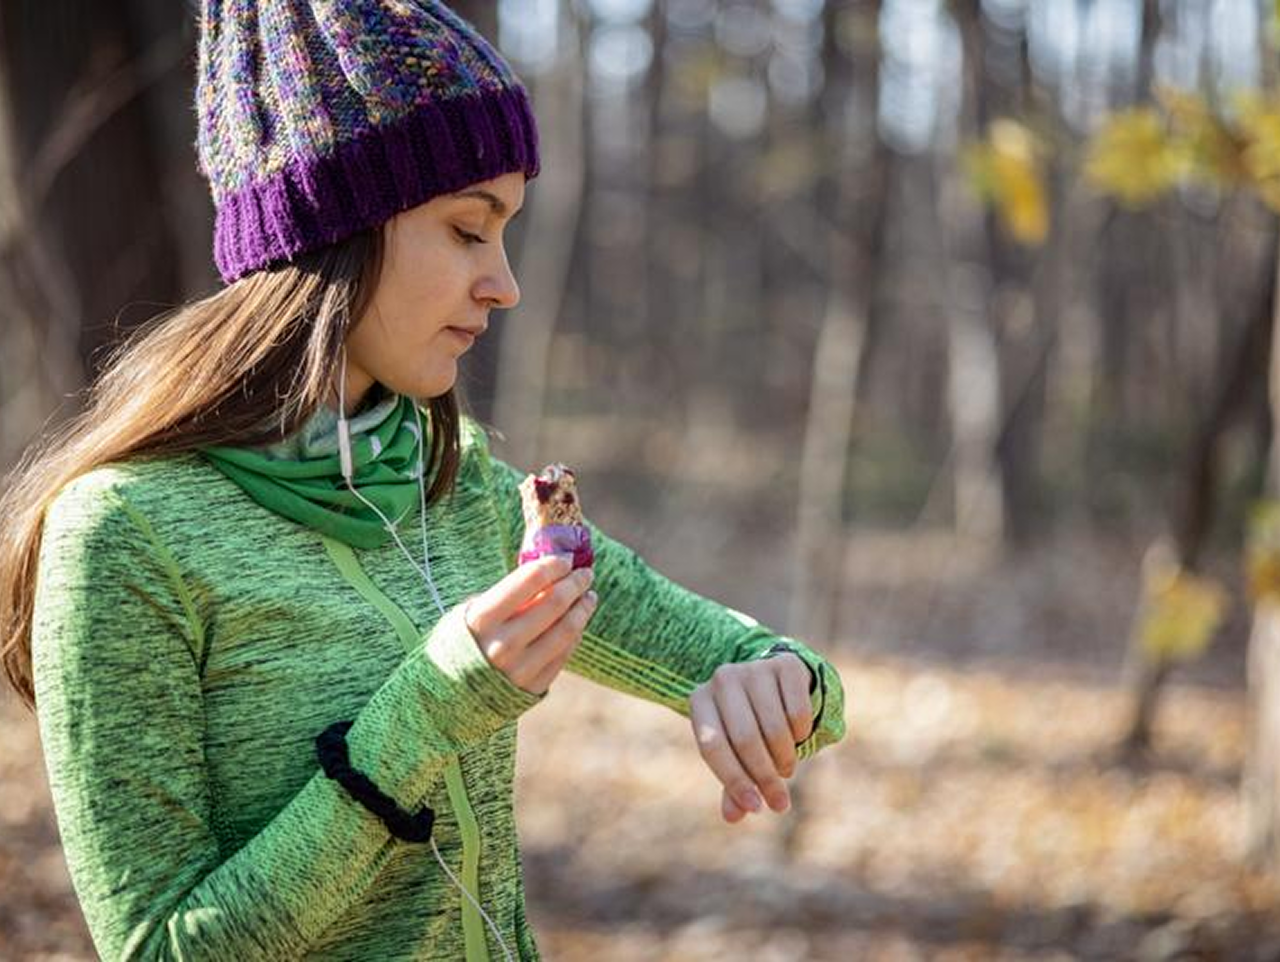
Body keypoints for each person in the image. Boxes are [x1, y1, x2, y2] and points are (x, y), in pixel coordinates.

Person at [0, 2, 847, 959]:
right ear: (335, 230)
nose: (505, 284)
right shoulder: (123, 533)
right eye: (466, 230)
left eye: (506, 232)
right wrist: (428, 712)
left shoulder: (464, 486)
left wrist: (784, 686)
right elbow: (158, 948)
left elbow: (788, 679)